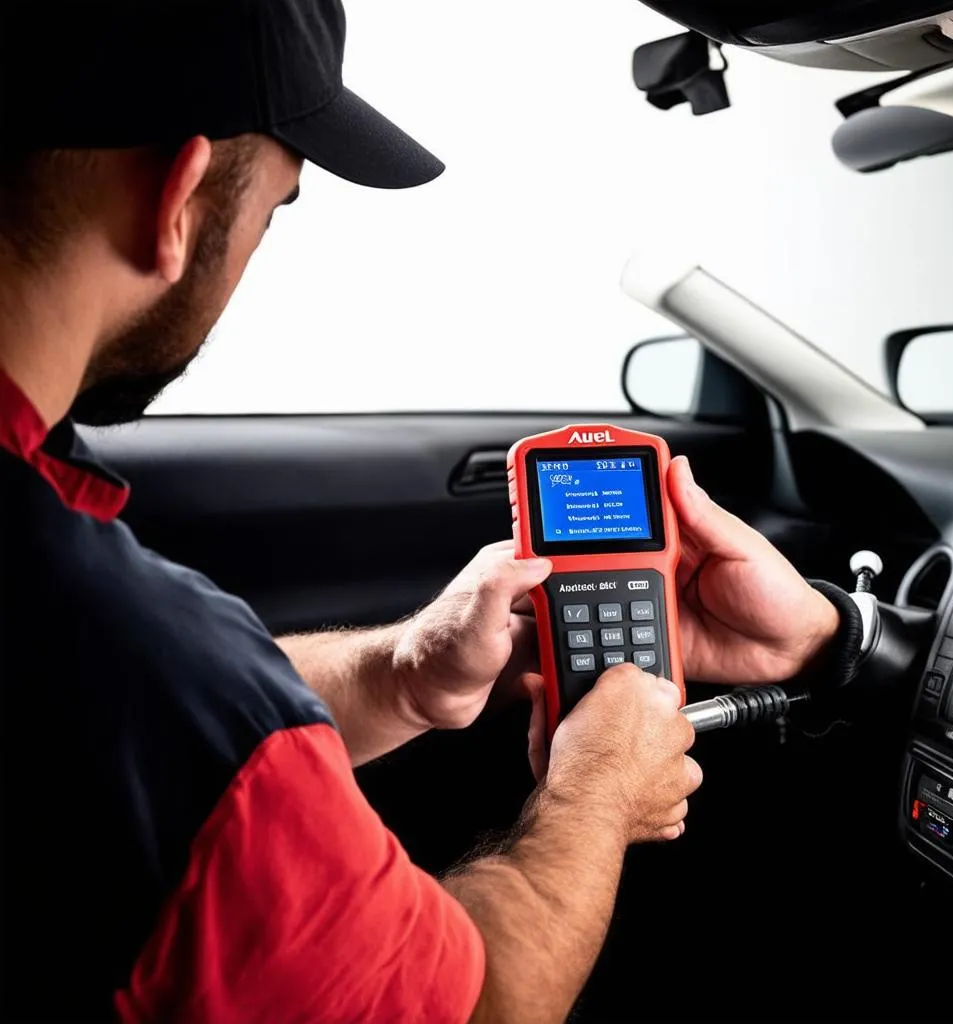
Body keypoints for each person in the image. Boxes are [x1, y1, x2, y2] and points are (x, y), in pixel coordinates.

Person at [0, 1, 848, 1021]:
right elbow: (483, 1002)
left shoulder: (85, 619)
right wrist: (598, 793)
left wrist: (396, 673)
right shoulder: (143, 671)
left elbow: (140, 732)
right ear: (178, 201)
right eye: (276, 210)